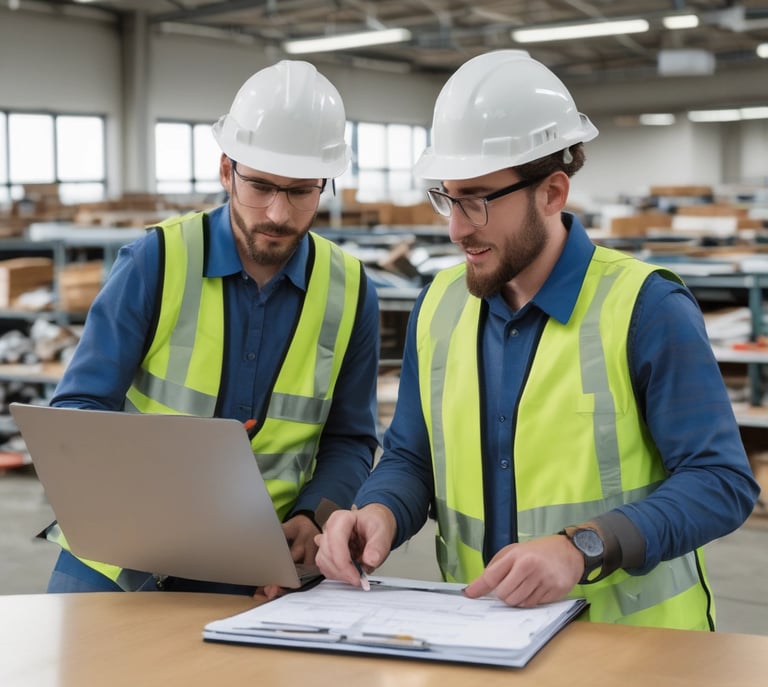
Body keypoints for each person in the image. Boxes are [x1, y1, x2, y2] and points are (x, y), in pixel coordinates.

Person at [315, 50, 761, 629]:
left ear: (552, 193)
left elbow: (721, 483)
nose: (456, 228)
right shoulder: (440, 305)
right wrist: (380, 510)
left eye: (477, 200)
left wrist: (583, 547)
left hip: (632, 651)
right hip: (483, 638)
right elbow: (411, 456)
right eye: (447, 197)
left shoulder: (646, 308)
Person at [44, 60, 380, 594]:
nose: (277, 213)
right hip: (119, 552)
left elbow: (351, 438)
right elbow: (79, 411)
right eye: (261, 185)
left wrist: (314, 515)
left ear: (325, 184)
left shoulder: (351, 291)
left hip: (257, 564)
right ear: (227, 170)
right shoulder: (157, 261)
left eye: (300, 191)